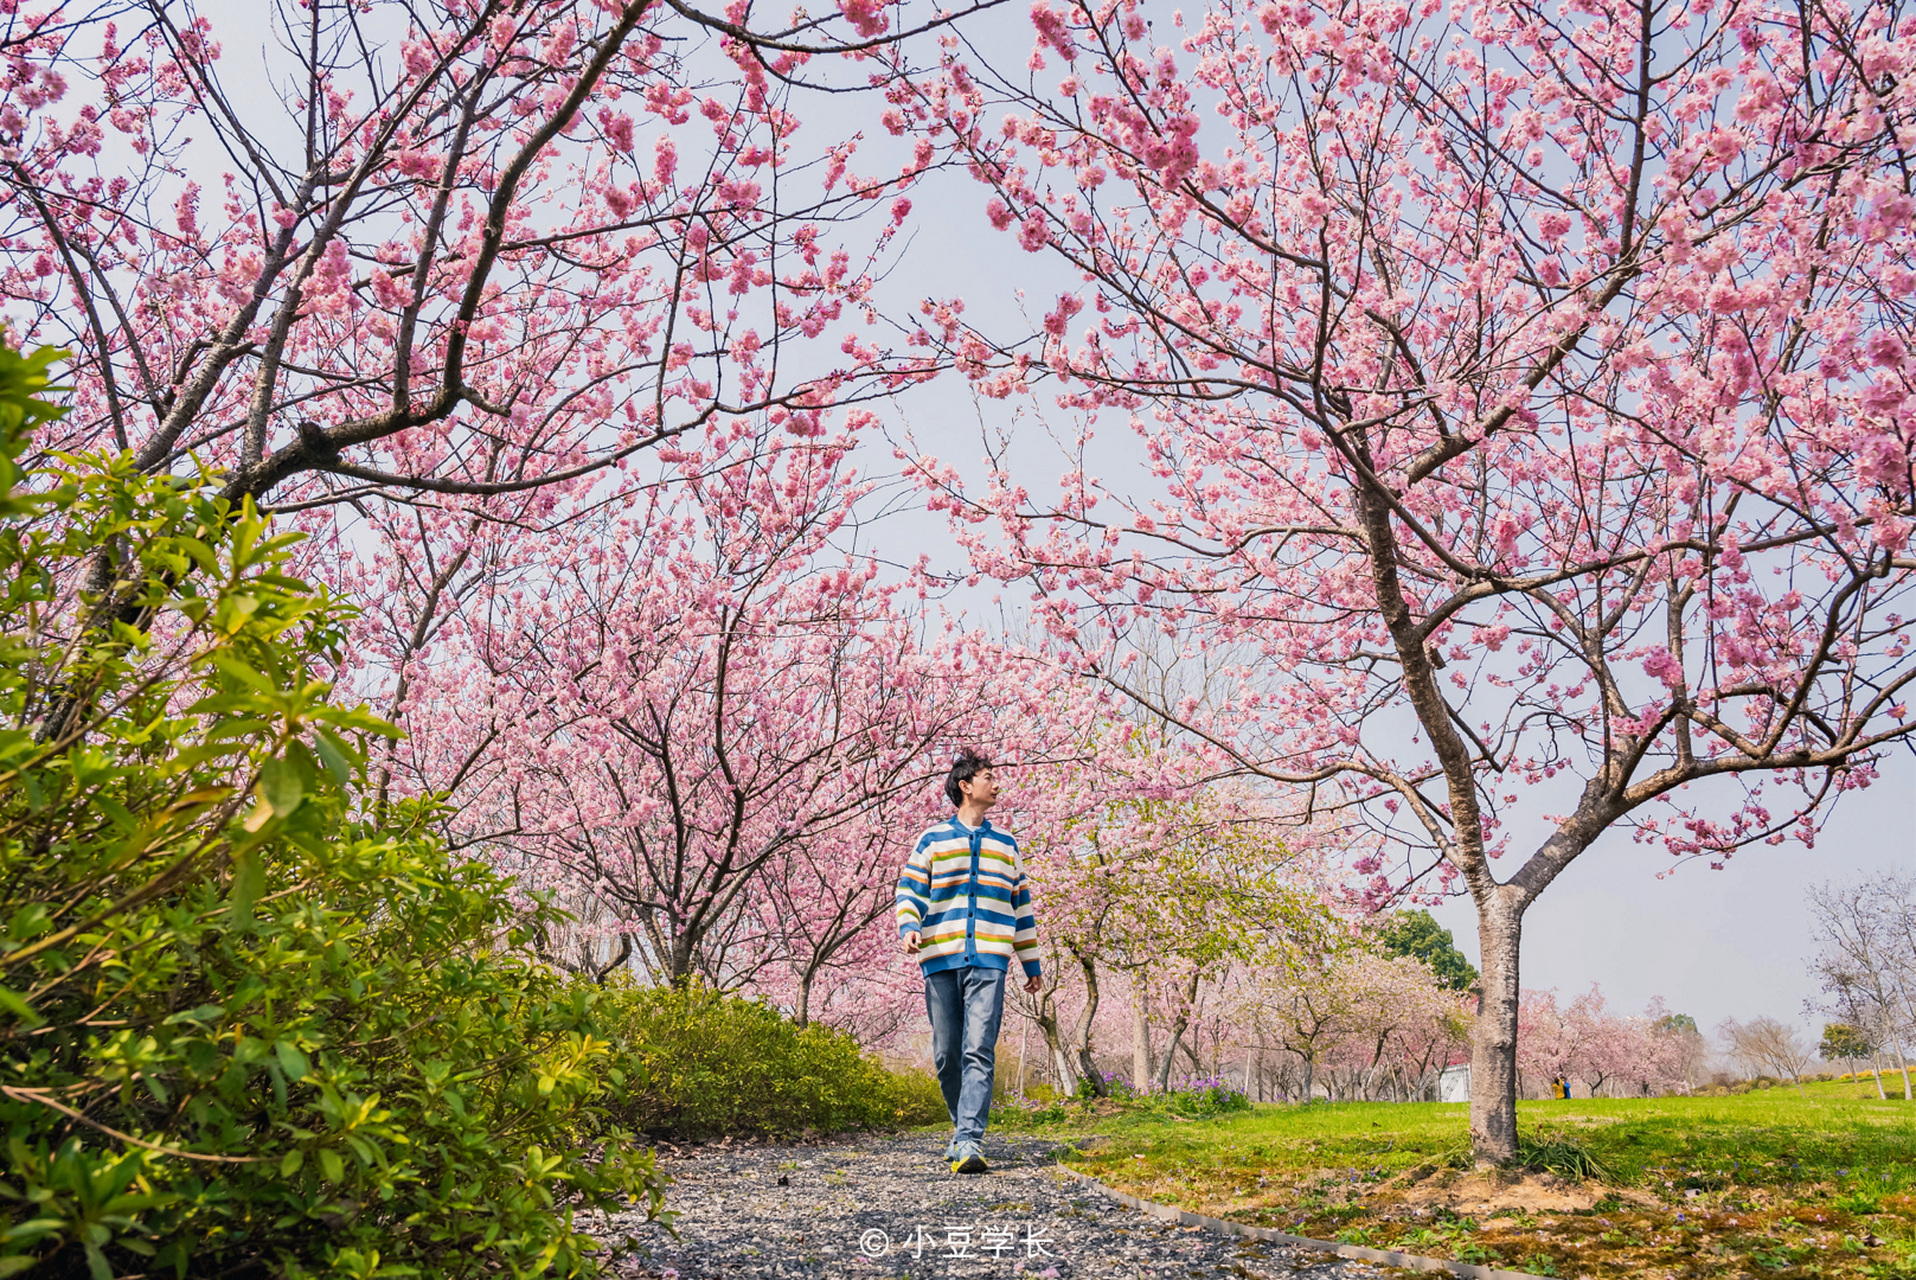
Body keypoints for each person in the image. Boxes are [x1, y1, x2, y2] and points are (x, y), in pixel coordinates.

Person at [895, 749, 1042, 1174]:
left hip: (990, 962)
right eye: (989, 777)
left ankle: (969, 1139)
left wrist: (1030, 962)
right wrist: (909, 926)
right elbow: (909, 890)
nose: (996, 785)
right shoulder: (933, 839)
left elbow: (1022, 907)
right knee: (946, 1053)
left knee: (979, 1047)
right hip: (940, 956)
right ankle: (962, 1130)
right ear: (965, 785)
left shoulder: (1006, 844)